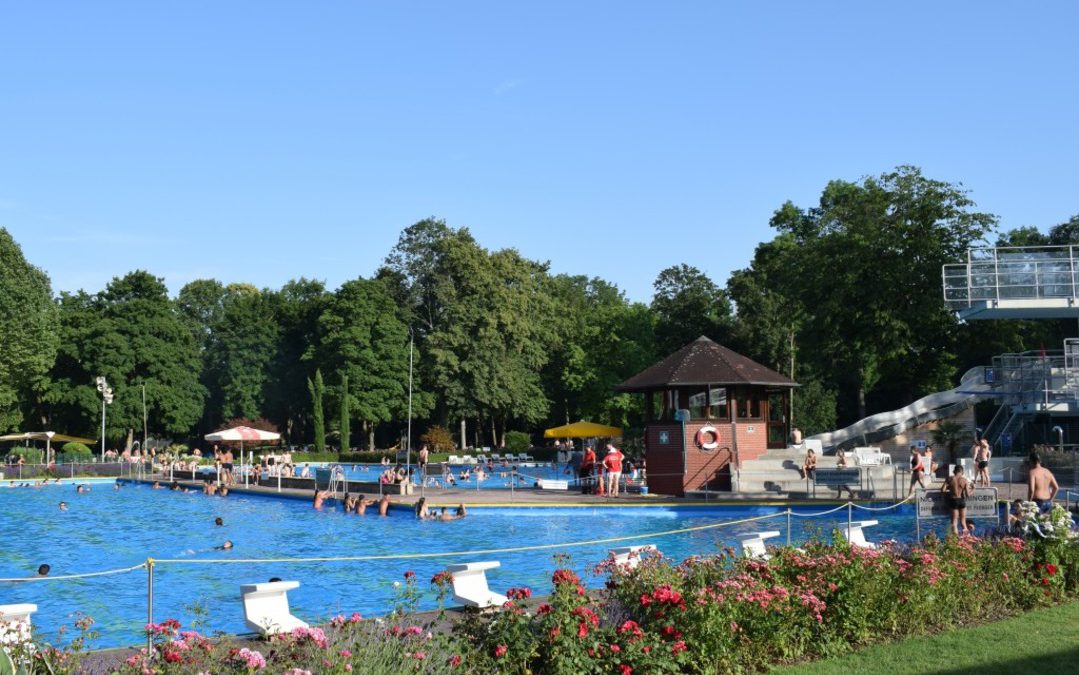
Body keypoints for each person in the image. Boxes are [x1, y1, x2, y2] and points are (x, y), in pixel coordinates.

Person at [942, 465, 973, 536]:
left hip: (953, 501)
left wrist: (948, 487)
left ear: (954, 471)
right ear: (962, 472)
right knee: (963, 522)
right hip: (962, 501)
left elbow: (942, 490)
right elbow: (967, 495)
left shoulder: (949, 479)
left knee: (954, 523)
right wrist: (973, 489)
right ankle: (967, 538)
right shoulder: (964, 480)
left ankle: (956, 540)